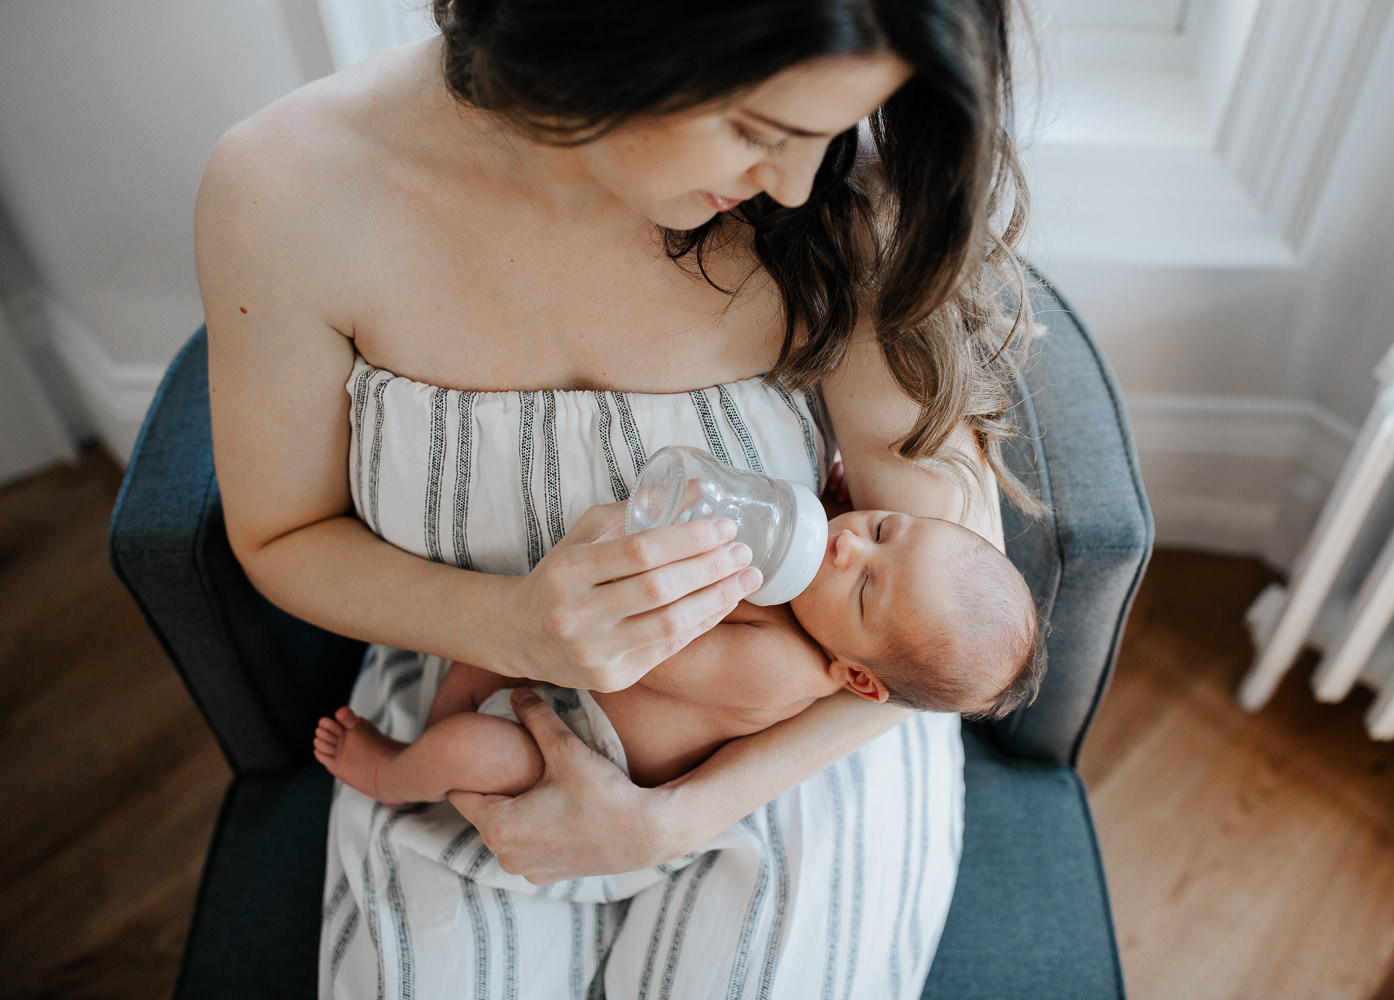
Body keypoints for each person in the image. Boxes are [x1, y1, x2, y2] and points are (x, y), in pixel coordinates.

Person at [194, 0, 1042, 995]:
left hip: (794, 758)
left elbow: (927, 621)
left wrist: (679, 815)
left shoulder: (846, 197)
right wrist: (509, 626)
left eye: (827, 134)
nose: (798, 182)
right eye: (762, 133)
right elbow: (282, 534)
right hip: (487, 705)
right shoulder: (288, 192)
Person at [313, 508, 1044, 807]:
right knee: (480, 655)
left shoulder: (782, 668)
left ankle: (391, 774)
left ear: (857, 675)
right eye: (884, 528)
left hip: (581, 745)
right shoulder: (813, 579)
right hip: (560, 675)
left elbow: (650, 655)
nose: (850, 544)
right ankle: (442, 713)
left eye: (864, 589)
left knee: (473, 752)